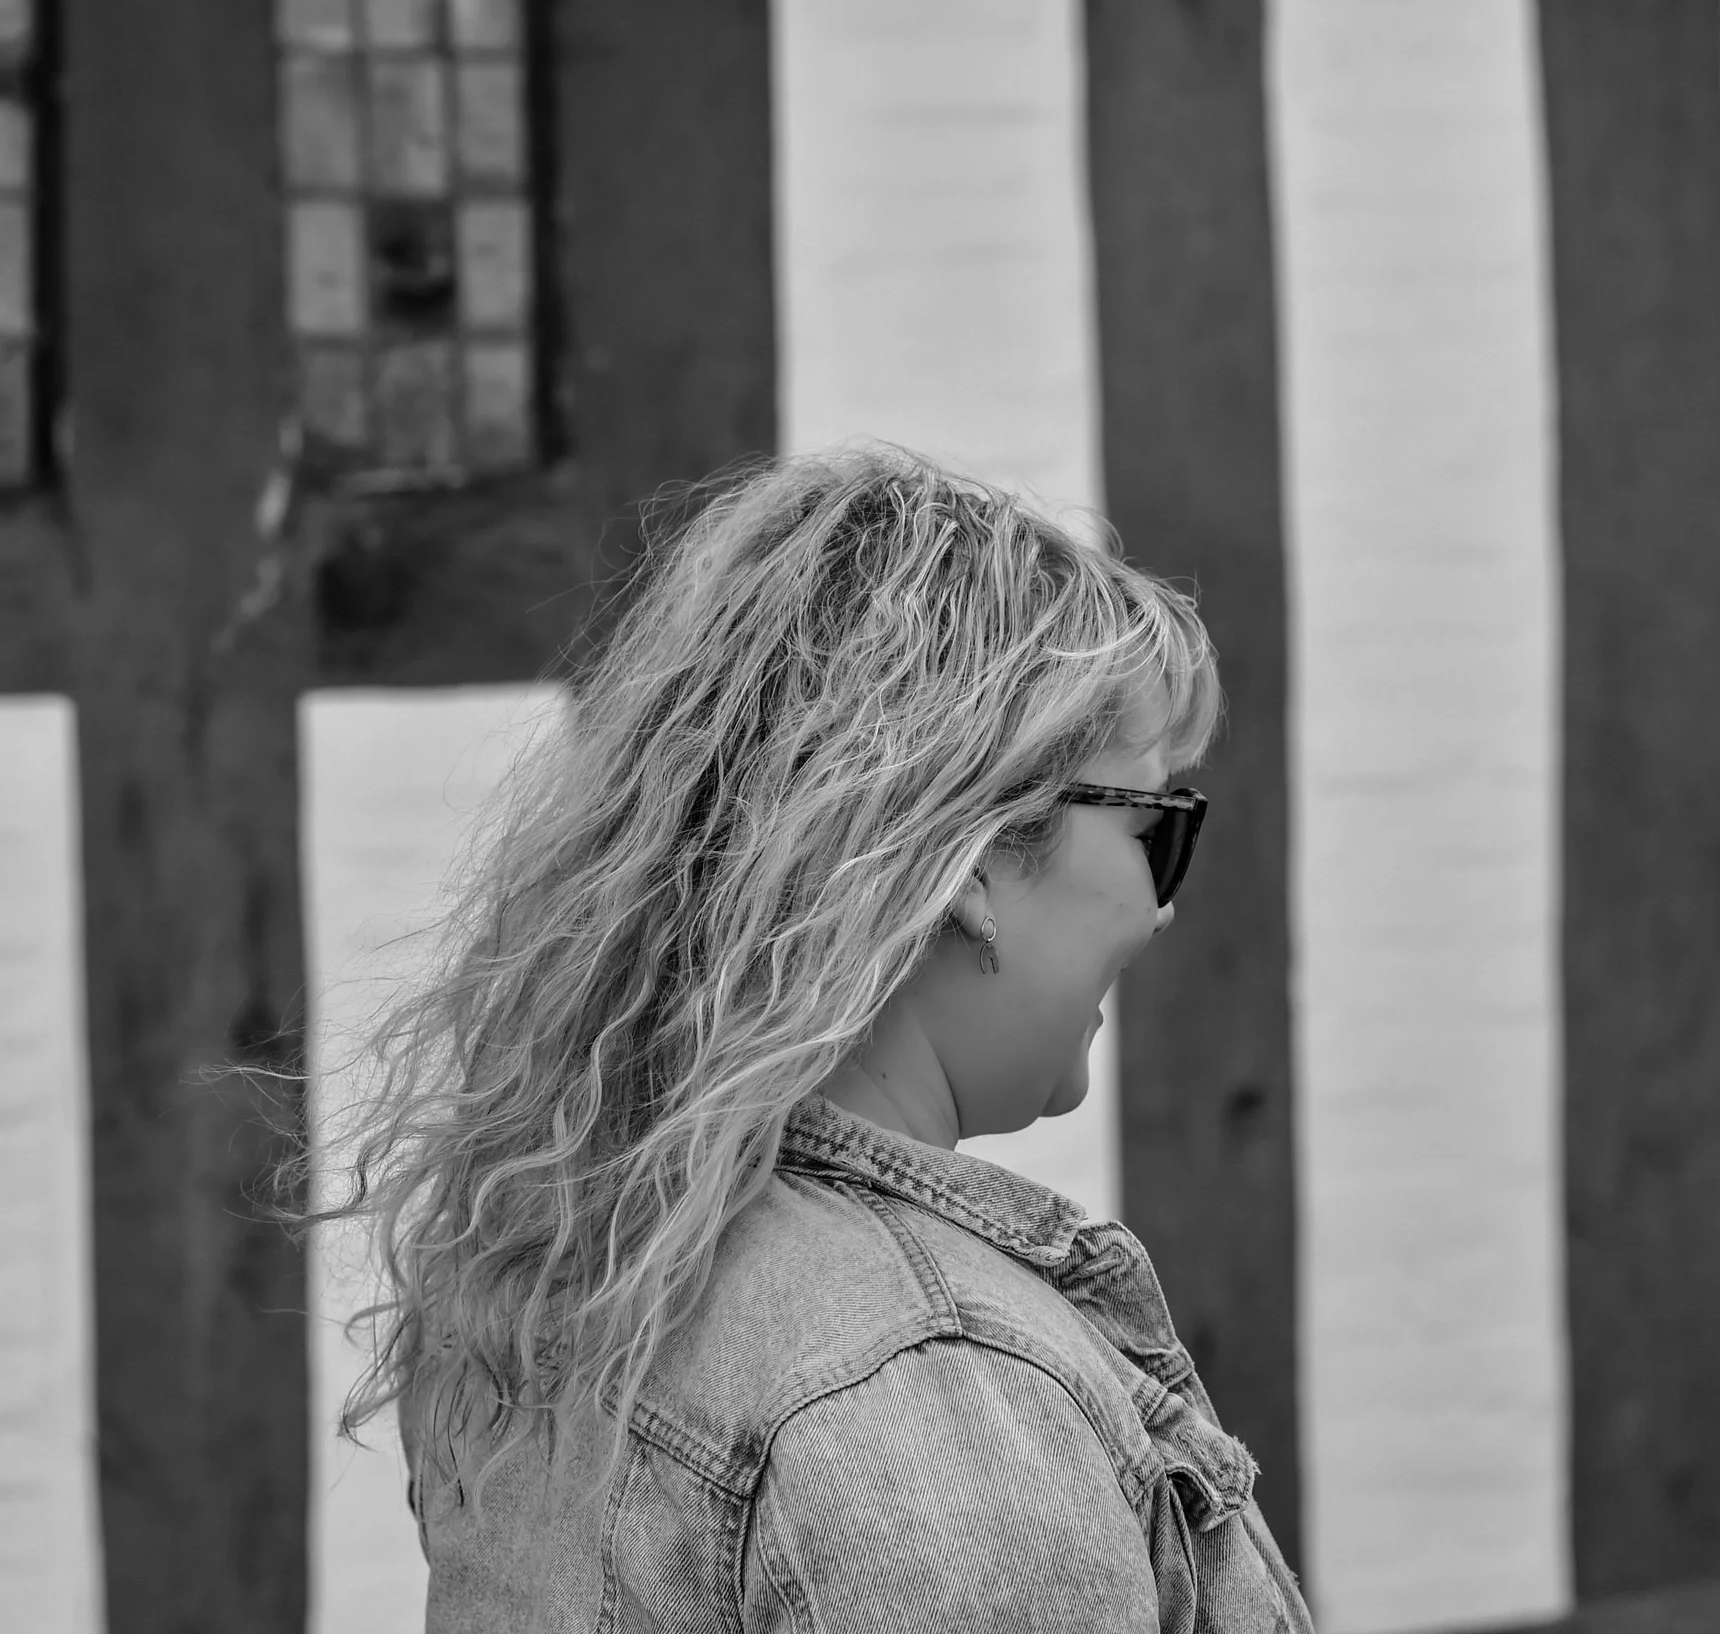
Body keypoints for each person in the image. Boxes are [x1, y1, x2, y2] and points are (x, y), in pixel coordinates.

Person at [316, 443, 1314, 1631]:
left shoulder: (578, 1270)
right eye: (1154, 822)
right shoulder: (931, 1391)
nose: (1160, 901)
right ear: (976, 858)